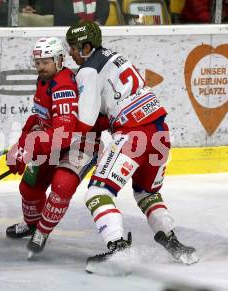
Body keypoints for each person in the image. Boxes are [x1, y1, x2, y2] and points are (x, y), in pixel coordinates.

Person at [64, 21, 199, 273]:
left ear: (86, 47)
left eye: (73, 48)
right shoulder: (114, 57)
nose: (70, 53)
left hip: (134, 135)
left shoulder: (88, 70)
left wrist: (58, 139)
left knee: (97, 193)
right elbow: (107, 110)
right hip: (160, 132)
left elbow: (85, 121)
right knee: (147, 194)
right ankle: (173, 243)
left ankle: (119, 249)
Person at [5, 37, 108, 258]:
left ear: (60, 60)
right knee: (29, 188)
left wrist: (29, 148)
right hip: (53, 140)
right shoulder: (44, 79)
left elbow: (63, 136)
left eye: (46, 62)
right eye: (38, 62)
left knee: (61, 185)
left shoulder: (63, 87)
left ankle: (42, 232)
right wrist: (22, 143)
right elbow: (40, 117)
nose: (40, 67)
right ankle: (32, 224)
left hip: (80, 143)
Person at [20, 0, 110, 26]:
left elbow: (103, 9)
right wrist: (25, 7)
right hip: (63, 36)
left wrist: (98, 22)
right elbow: (41, 8)